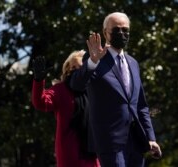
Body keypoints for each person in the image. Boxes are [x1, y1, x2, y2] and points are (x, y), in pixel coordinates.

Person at [69, 12, 162, 167]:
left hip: (136, 141)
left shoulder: (133, 63)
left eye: (125, 30)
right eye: (116, 30)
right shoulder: (95, 59)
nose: (121, 33)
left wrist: (150, 137)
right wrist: (92, 61)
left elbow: (140, 105)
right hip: (109, 142)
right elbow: (76, 85)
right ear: (106, 32)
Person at [31, 50, 100, 167]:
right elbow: (40, 102)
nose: (76, 71)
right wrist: (38, 80)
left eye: (80, 68)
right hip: (70, 154)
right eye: (73, 67)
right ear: (67, 70)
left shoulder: (93, 90)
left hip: (92, 154)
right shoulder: (61, 89)